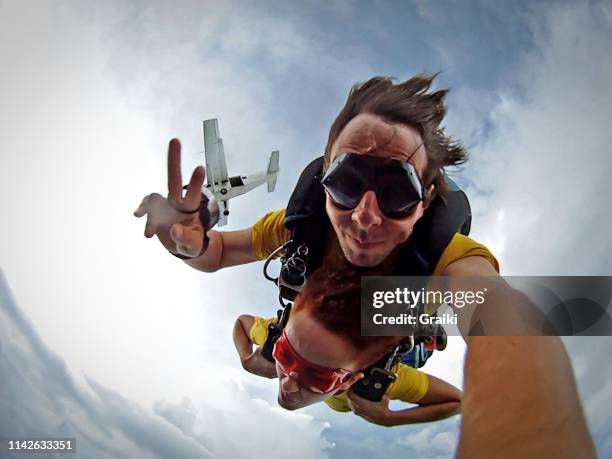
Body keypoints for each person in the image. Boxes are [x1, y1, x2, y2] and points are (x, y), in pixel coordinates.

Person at [232, 265, 462, 426]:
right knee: (414, 350)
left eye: (316, 376)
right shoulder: (367, 380)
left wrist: (249, 359)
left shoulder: (364, 380)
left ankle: (422, 327)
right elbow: (456, 401)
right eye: (287, 354)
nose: (289, 385)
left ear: (348, 381)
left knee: (412, 345)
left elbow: (243, 324)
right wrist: (390, 418)